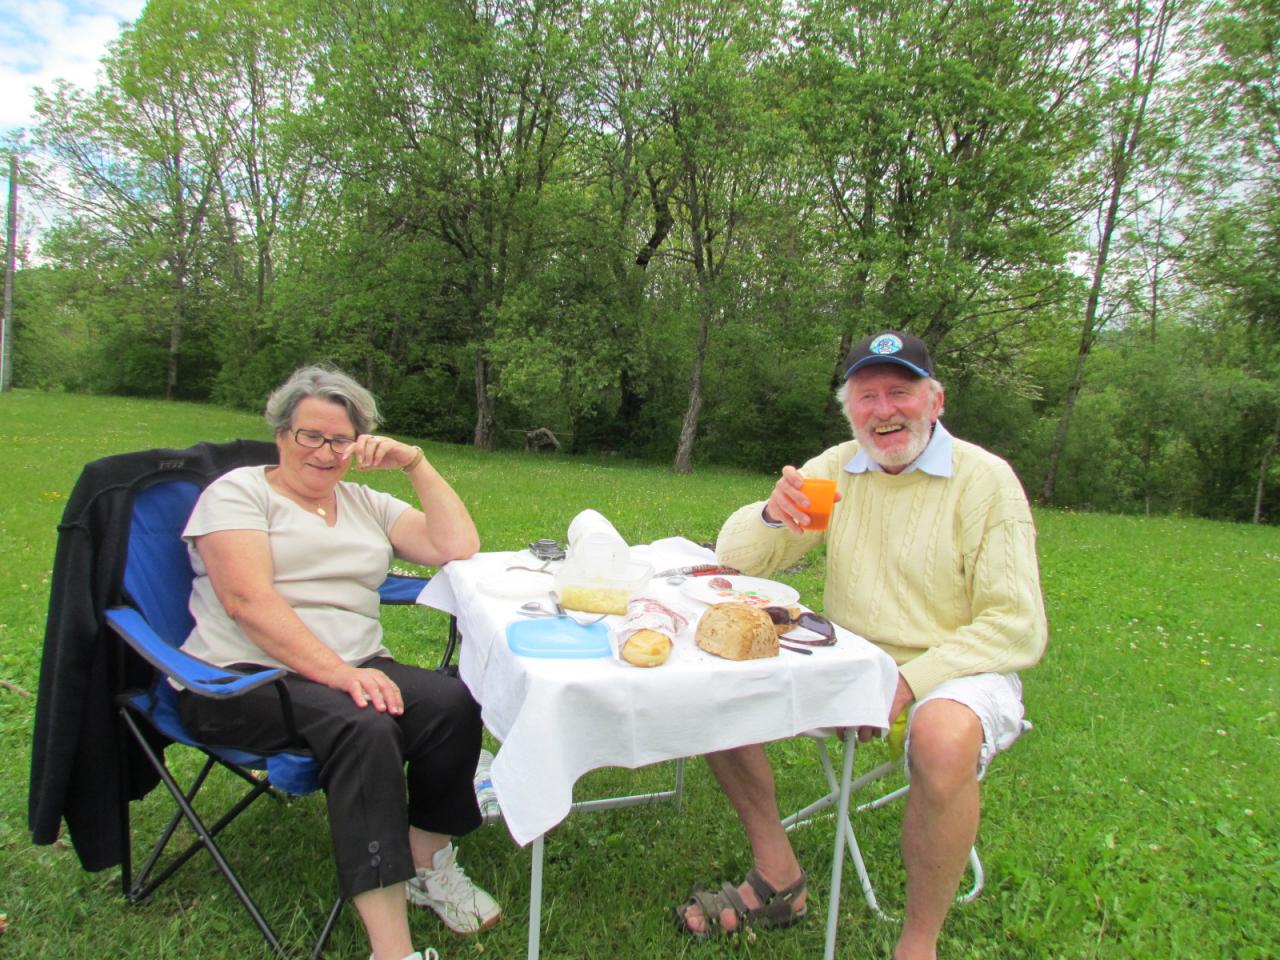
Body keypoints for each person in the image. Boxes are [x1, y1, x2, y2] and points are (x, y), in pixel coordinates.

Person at [677, 331, 1049, 960]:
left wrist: (909, 682)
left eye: (900, 393)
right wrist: (771, 515)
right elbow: (735, 561)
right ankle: (778, 875)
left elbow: (1015, 624)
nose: (884, 410)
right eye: (866, 396)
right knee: (712, 671)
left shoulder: (985, 482)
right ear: (850, 411)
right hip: (852, 659)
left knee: (941, 735)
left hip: (961, 663)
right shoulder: (838, 468)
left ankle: (917, 942)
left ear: (935, 402)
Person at [176, 366, 500, 960]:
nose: (325, 453)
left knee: (455, 702)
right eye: (311, 436)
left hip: (354, 664)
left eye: (341, 440)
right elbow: (246, 602)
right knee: (365, 727)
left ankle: (427, 861)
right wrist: (341, 674)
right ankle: (392, 951)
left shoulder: (363, 502)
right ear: (281, 434)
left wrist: (415, 464)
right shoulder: (238, 493)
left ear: (359, 444)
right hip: (242, 677)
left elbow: (456, 547)